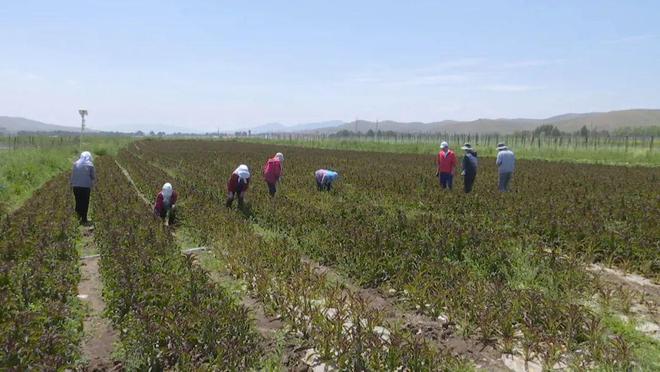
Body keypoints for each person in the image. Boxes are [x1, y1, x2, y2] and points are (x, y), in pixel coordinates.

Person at [70, 151, 96, 224]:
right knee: (85, 202)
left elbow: (72, 175)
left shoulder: (75, 164)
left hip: (76, 186)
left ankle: (77, 217)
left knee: (78, 202)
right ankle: (84, 219)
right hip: (85, 187)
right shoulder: (90, 165)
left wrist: (71, 184)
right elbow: (93, 177)